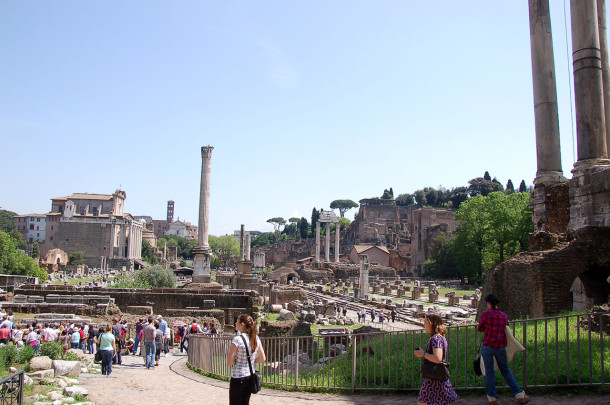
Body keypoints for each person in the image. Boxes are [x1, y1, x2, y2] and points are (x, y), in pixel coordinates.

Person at [478, 294, 529, 405]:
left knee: (489, 372)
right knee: (505, 370)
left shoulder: (486, 314)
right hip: (500, 346)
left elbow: (480, 328)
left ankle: (492, 398)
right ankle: (519, 394)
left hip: (487, 346)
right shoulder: (503, 315)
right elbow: (506, 329)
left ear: (489, 303)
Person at [414, 313, 458, 405]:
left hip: (434, 379)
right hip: (436, 377)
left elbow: (438, 358)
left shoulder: (435, 338)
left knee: (423, 402)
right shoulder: (441, 337)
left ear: (432, 323)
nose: (424, 324)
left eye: (426, 322)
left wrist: (423, 354)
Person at [227, 314, 266, 405]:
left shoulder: (237, 340)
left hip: (238, 377)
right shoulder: (255, 338)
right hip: (250, 376)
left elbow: (229, 361)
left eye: (237, 321)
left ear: (242, 324)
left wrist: (236, 361)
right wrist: (252, 361)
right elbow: (263, 358)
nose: (235, 323)